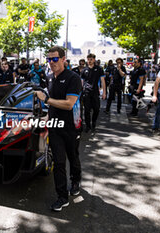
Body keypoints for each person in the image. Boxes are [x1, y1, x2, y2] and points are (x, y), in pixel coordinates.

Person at [35, 46, 82, 212]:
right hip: (55, 127)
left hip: (71, 127)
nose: (52, 62)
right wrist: (46, 117)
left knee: (73, 157)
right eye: (49, 59)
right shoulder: (49, 77)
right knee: (59, 162)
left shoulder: (73, 78)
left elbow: (69, 104)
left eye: (55, 59)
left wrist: (47, 100)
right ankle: (62, 197)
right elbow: (54, 105)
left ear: (63, 59)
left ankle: (75, 180)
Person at [81, 53, 106, 132]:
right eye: (88, 59)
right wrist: (80, 92)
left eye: (91, 59)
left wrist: (104, 92)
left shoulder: (99, 69)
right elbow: (81, 82)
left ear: (94, 60)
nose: (89, 61)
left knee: (96, 109)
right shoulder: (84, 70)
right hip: (86, 92)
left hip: (95, 92)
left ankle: (94, 122)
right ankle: (88, 126)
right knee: (87, 110)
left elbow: (103, 81)